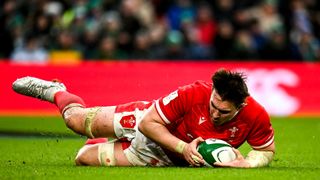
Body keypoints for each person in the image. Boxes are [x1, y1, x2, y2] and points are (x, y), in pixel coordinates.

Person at [12, 69, 275, 168]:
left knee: (82, 160)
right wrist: (183, 147)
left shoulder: (256, 115)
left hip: (163, 157)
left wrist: (248, 165)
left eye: (224, 111)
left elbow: (266, 150)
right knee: (76, 122)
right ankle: (56, 91)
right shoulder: (193, 93)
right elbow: (149, 123)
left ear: (240, 106)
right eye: (213, 105)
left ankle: (107, 143)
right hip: (146, 123)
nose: (215, 113)